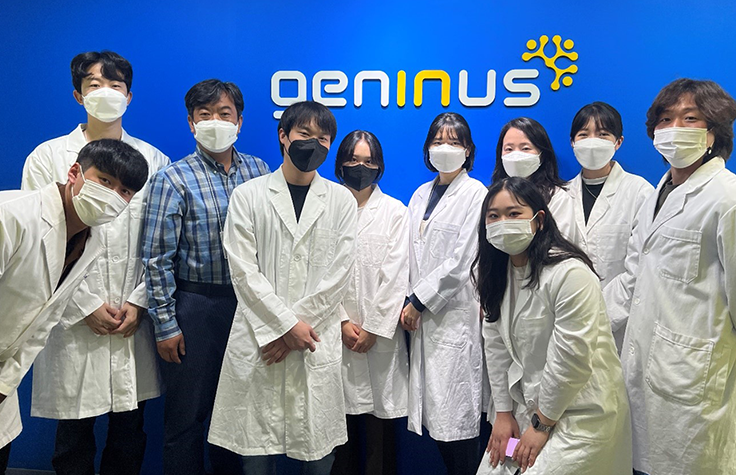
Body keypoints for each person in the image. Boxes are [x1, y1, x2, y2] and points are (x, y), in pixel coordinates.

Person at [20, 51, 169, 475]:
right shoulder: (48, 157)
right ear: (77, 94)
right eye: (94, 85)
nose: (106, 93)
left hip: (132, 318)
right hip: (72, 318)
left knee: (130, 432)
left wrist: (139, 302)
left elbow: (161, 242)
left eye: (115, 85)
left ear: (129, 95)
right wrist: (84, 304)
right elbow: (41, 239)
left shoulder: (154, 161)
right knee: (73, 436)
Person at [207, 101, 356, 475]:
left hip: (310, 341)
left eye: (323, 138)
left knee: (319, 458)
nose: (313, 144)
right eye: (304, 134)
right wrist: (286, 326)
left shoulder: (341, 200)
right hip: (262, 340)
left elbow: (339, 273)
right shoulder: (248, 195)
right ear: (283, 136)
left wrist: (292, 331)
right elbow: (243, 271)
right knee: (256, 456)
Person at [603, 78, 736, 475]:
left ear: (714, 131)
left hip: (695, 383)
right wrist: (580, 317)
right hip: (645, 372)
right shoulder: (657, 195)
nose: (674, 128)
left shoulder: (727, 198)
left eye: (690, 118)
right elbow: (633, 278)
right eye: (665, 119)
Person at [141, 79, 270, 475]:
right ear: (191, 122)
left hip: (248, 306)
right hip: (196, 307)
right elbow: (156, 259)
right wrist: (165, 325)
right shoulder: (172, 179)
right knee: (187, 417)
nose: (216, 121)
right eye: (205, 114)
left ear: (240, 121)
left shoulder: (260, 171)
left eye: (224, 114)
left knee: (236, 415)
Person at [0, 140, 148, 473]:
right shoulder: (10, 215)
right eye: (104, 181)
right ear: (73, 173)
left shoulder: (89, 241)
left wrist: (5, 384)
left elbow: (40, 326)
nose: (112, 195)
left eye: (124, 191)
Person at [473, 177, 632, 475]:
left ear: (539, 220)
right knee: (493, 467)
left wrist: (541, 425)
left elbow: (571, 359)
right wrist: (503, 414)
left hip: (582, 414)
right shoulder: (499, 274)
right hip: (531, 411)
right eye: (494, 216)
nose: (503, 222)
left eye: (514, 213)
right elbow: (495, 347)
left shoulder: (569, 274)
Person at [401, 112, 487, 475]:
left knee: (459, 425)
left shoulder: (476, 193)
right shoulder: (420, 194)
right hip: (421, 322)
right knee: (438, 423)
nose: (445, 148)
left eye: (454, 142)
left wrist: (418, 301)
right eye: (438, 141)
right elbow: (407, 253)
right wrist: (408, 300)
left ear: (468, 150)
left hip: (454, 319)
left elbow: (462, 260)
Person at [330, 130, 410, 475]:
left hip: (381, 340)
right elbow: (317, 272)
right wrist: (340, 321)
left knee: (381, 432)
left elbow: (397, 274)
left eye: (368, 161)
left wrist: (374, 328)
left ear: (379, 166)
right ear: (340, 164)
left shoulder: (395, 212)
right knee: (339, 433)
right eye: (353, 160)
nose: (360, 167)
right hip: (337, 335)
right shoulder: (326, 208)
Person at [566, 102, 653, 350]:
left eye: (603, 134)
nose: (593, 141)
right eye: (584, 134)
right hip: (567, 320)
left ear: (618, 142)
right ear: (572, 142)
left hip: (619, 326)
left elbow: (639, 268)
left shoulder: (640, 192)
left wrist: (600, 316)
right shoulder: (560, 195)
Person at [491, 117, 579, 244]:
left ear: (542, 155)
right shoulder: (492, 196)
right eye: (509, 149)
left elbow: (560, 245)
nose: (516, 155)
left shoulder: (557, 198)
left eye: (525, 148)